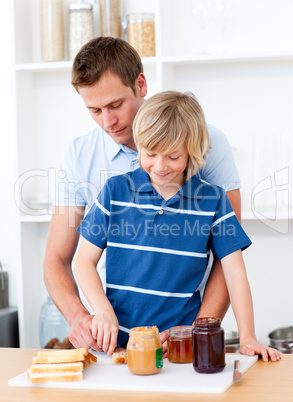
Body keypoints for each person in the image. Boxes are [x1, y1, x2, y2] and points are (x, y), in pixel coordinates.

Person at [43, 37, 241, 354]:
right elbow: (58, 258)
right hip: (115, 338)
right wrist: (81, 316)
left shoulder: (207, 141)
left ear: (141, 84)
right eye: (94, 110)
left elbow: (228, 257)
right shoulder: (80, 156)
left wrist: (195, 332)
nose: (107, 122)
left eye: (115, 105)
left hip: (180, 333)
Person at [74, 91, 280, 362]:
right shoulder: (115, 191)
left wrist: (248, 337)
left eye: (173, 156)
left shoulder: (214, 201)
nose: (160, 166)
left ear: (191, 152)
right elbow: (82, 262)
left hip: (179, 351)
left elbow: (234, 273)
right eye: (150, 153)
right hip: (117, 350)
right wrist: (101, 311)